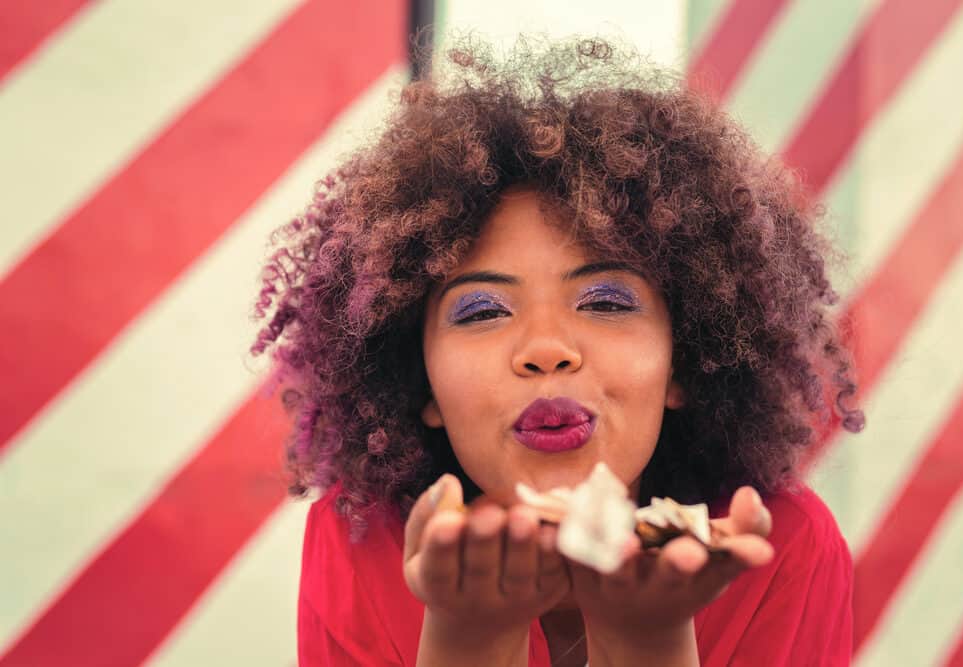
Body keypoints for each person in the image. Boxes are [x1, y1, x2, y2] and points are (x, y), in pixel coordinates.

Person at [251, 36, 865, 667]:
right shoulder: (361, 539)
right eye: (483, 310)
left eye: (605, 302)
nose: (547, 350)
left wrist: (646, 643)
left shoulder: (783, 547)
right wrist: (469, 639)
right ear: (420, 383)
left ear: (684, 362)